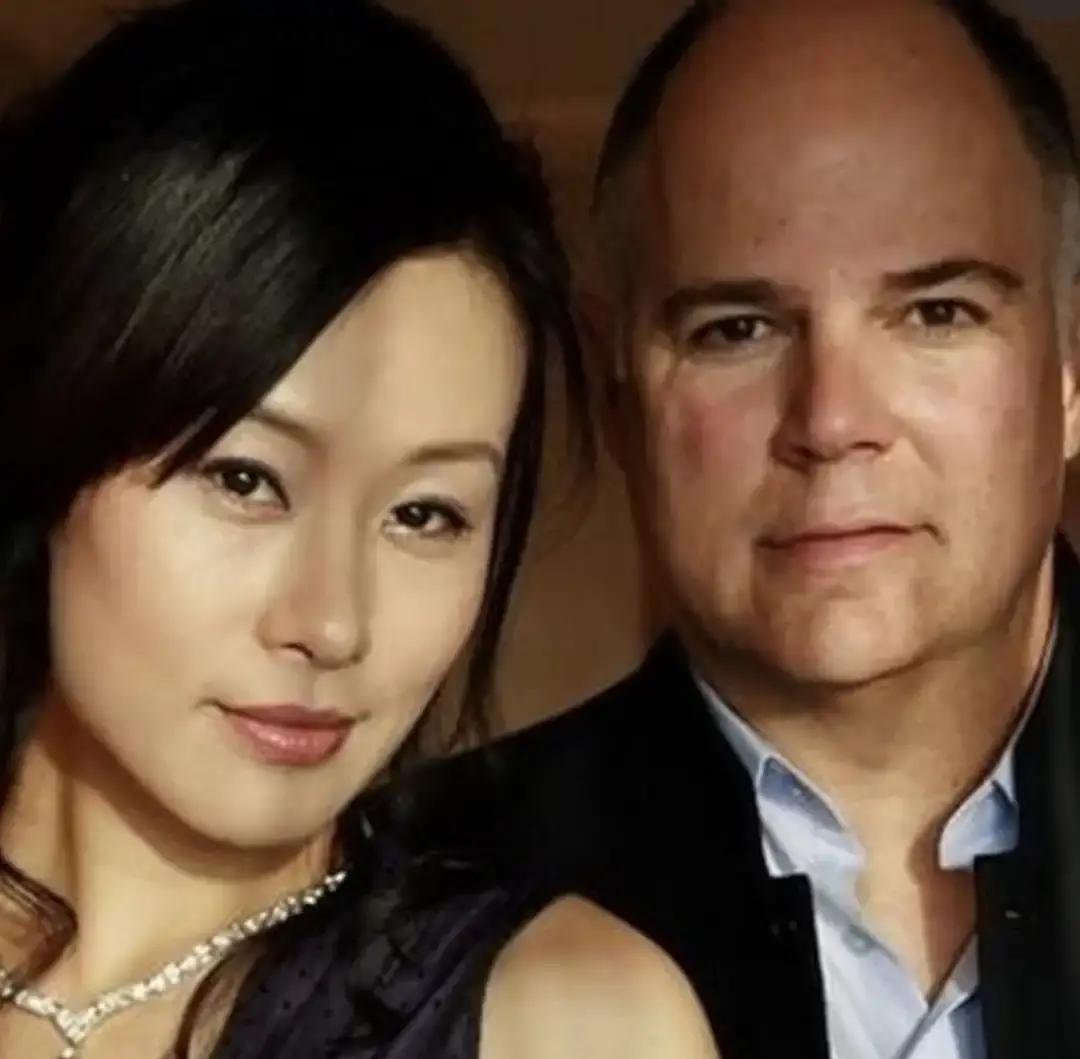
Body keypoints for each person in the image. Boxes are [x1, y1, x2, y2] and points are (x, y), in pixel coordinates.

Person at [0, 1, 718, 1057]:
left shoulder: (570, 1022)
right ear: (46, 422)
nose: (332, 624)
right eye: (247, 479)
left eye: (425, 514)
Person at [410, 1, 1080, 1057]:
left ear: (1071, 363)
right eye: (738, 330)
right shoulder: (412, 919)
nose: (833, 421)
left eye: (936, 313)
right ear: (617, 392)